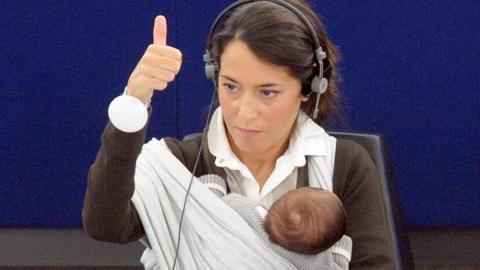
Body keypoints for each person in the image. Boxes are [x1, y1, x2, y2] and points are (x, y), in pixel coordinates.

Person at [83, 0, 395, 269]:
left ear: (308, 88)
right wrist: (133, 102)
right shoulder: (180, 166)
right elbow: (105, 225)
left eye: (267, 92)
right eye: (231, 87)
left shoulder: (346, 166)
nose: (244, 112)